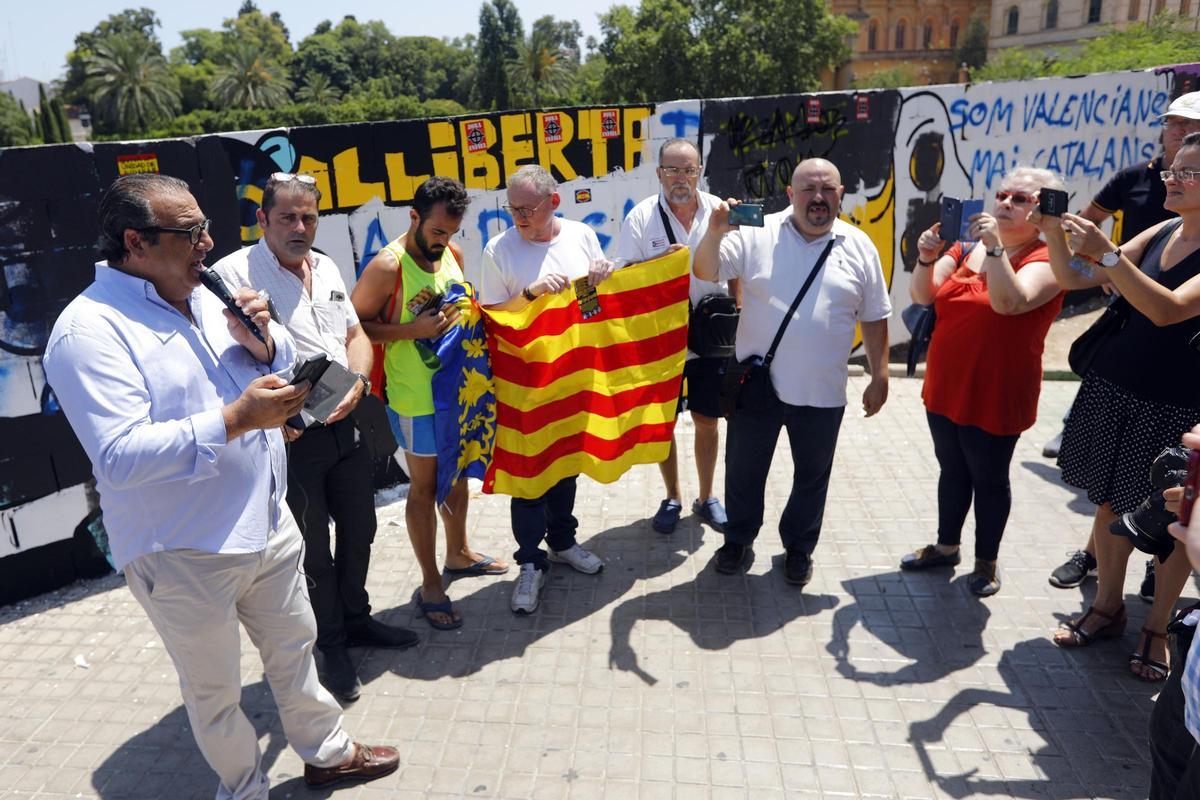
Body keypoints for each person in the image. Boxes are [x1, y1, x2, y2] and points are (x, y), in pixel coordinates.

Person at [42, 174, 398, 797]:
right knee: (215, 691)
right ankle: (243, 788)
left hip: (266, 521)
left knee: (295, 647)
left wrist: (266, 345)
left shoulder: (211, 293)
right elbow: (120, 456)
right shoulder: (88, 331)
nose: (208, 243)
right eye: (191, 233)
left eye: (206, 227)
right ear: (136, 242)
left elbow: (283, 367)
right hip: (184, 553)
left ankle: (327, 752)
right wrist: (237, 418)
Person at [213, 173, 417, 704]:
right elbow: (225, 362)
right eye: (286, 218)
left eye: (308, 217)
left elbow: (354, 335)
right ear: (262, 220)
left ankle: (358, 620)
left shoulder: (323, 264)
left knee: (361, 530)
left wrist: (357, 381)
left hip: (345, 422)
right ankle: (331, 648)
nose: (299, 228)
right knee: (313, 553)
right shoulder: (233, 275)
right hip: (292, 440)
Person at [693, 158, 892, 586]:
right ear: (790, 194)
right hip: (757, 388)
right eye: (808, 189)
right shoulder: (756, 233)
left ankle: (798, 549)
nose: (817, 198)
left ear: (840, 194)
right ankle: (738, 539)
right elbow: (706, 270)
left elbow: (875, 315)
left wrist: (880, 374)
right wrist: (714, 232)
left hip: (822, 391)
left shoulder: (859, 245)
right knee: (744, 470)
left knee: (812, 477)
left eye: (827, 190)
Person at [1048, 131, 1200, 683]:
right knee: (1111, 504)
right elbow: (1074, 279)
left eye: (1187, 172)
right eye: (1171, 170)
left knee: (1173, 525)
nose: (1171, 178)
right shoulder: (1162, 229)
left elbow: (1167, 310)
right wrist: (1054, 234)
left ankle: (1156, 627)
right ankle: (1108, 606)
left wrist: (1109, 253)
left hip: (1179, 406)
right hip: (1119, 388)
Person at [898, 167, 1066, 596]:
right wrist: (925, 257)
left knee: (989, 479)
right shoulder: (966, 245)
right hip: (946, 383)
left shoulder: (1047, 259)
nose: (1006, 203)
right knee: (951, 470)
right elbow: (923, 295)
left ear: (1043, 212)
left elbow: (1009, 303)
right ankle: (945, 546)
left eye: (1021, 199)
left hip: (997, 391)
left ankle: (986, 562)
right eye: (1003, 195)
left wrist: (995, 249)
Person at [351, 177, 509, 630]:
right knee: (422, 490)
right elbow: (356, 327)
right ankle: (430, 583)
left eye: (453, 233)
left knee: (456, 476)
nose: (445, 242)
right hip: (415, 398)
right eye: (438, 232)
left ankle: (458, 554)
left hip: (458, 391)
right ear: (414, 217)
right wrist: (411, 332)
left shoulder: (452, 256)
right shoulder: (387, 266)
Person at [475, 164, 613, 614]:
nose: (519, 217)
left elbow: (589, 311)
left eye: (527, 209)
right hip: (524, 383)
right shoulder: (499, 248)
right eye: (512, 208)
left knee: (566, 466)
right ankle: (530, 562)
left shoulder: (580, 236)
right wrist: (530, 296)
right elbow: (491, 320)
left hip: (570, 377)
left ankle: (564, 543)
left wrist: (599, 282)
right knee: (529, 478)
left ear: (553, 202)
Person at [614, 138, 739, 535]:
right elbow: (622, 275)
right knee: (663, 421)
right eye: (672, 170)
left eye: (688, 169)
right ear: (659, 174)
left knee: (707, 418)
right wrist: (655, 264)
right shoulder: (640, 218)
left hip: (712, 336)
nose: (680, 178)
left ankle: (706, 497)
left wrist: (740, 312)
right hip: (660, 337)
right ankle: (673, 496)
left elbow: (738, 267)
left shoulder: (720, 210)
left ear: (699, 171)